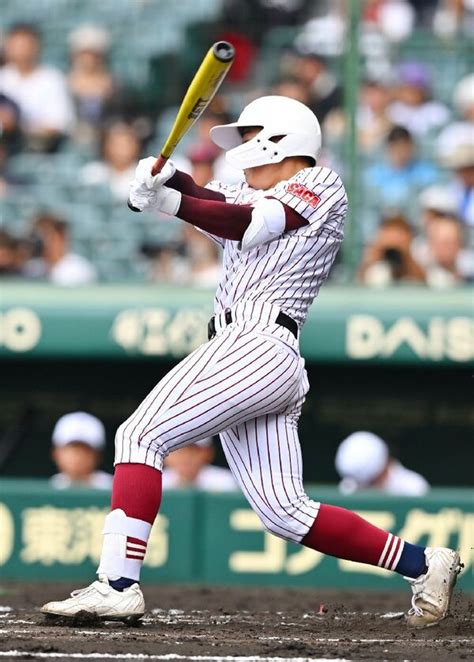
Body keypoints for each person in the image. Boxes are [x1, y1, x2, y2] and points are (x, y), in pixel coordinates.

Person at [41, 95, 462, 628]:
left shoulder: (321, 183)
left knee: (138, 437)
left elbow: (247, 223)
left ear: (282, 139)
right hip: (255, 353)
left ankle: (118, 583)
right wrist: (167, 179)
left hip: (259, 342)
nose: (242, 148)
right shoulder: (249, 191)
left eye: (250, 136)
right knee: (284, 512)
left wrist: (168, 200)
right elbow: (213, 202)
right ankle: (423, 564)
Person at [0, 24, 75, 152]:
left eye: (25, 46)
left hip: (42, 149)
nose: (21, 51)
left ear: (36, 47)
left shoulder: (52, 78)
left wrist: (17, 126)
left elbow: (58, 124)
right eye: (17, 46)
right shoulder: (2, 77)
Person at [364, 125, 440, 209]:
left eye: (406, 146)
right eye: (398, 146)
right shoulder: (374, 175)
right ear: (390, 147)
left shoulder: (426, 173)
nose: (402, 151)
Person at [335, 431, 429, 496]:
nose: (367, 486)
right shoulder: (349, 486)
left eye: (372, 481)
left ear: (385, 464)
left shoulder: (413, 487)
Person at [25, 213, 97, 286]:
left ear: (61, 236)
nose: (43, 241)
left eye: (47, 235)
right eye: (38, 237)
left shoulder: (78, 269)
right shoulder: (33, 269)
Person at [50, 412, 113, 490]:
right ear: (56, 453)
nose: (78, 456)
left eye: (85, 450)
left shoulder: (114, 487)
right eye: (72, 449)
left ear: (98, 455)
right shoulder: (51, 486)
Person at [358, 215, 426, 286]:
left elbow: (423, 281)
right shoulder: (375, 263)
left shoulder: (418, 257)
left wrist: (406, 255)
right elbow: (358, 281)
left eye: (399, 234)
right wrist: (377, 252)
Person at [81, 122, 142, 200]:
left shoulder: (143, 175)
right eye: (116, 144)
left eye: (125, 145)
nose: (120, 150)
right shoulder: (92, 172)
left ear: (136, 147)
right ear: (106, 146)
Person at [162, 438, 236, 492]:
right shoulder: (158, 483)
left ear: (208, 452)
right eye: (177, 450)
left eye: (192, 450)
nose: (185, 457)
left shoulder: (225, 482)